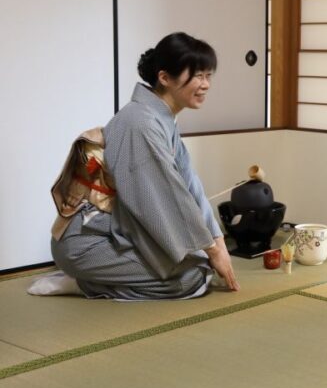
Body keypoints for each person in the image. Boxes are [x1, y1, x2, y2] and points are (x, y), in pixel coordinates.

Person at [29, 32, 240, 300]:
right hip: (88, 243)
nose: (206, 84)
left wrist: (217, 243)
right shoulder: (139, 123)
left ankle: (94, 280)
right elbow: (164, 199)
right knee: (189, 278)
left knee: (199, 265)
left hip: (116, 231)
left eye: (208, 75)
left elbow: (190, 186)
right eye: (197, 75)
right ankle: (82, 283)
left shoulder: (162, 119)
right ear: (164, 78)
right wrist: (209, 250)